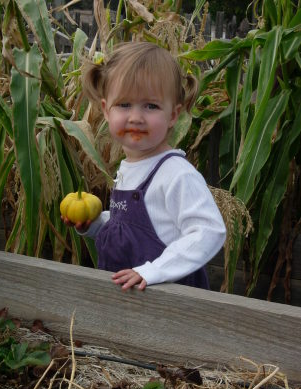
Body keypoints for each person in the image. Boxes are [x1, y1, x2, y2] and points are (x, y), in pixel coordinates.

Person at [64, 41, 226, 291]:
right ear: (106, 110)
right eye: (124, 105)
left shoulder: (176, 174)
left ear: (173, 115)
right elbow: (131, 227)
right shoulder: (129, 167)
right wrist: (95, 224)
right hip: (132, 304)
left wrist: (155, 270)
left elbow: (208, 230)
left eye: (151, 106)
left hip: (171, 305)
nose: (136, 117)